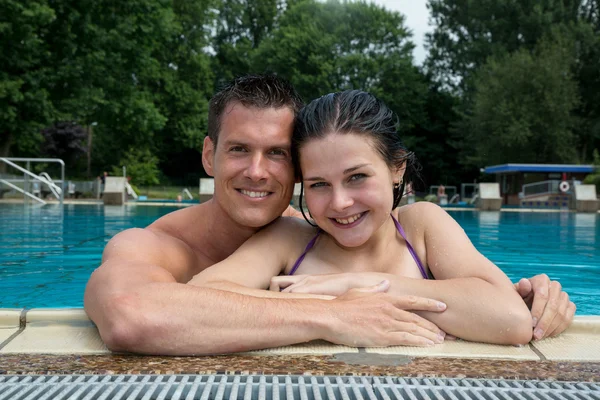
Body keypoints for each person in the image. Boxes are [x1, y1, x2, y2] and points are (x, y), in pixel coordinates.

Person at [84, 75, 575, 355]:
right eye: (239, 150)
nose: (257, 171)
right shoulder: (159, 246)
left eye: (276, 153)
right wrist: (336, 313)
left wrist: (538, 295)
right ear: (209, 156)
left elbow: (506, 312)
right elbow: (136, 313)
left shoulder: (410, 225)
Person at [189, 90, 558, 344]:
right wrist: (333, 309)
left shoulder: (421, 227)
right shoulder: (290, 238)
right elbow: (197, 300)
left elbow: (511, 318)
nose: (340, 202)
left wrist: (357, 283)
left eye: (357, 177)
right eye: (318, 185)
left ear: (397, 168)